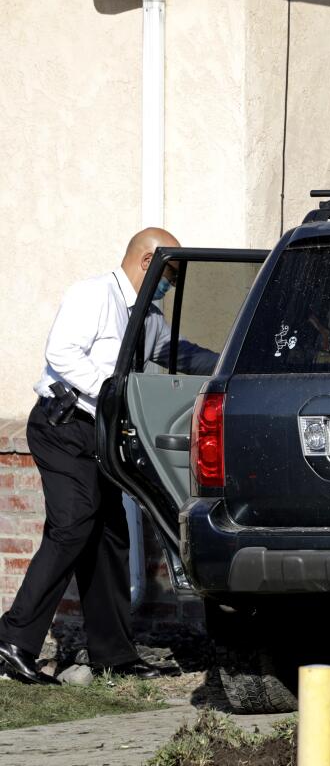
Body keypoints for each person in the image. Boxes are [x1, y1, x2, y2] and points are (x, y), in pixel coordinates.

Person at [0, 228, 217, 685]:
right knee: (74, 524)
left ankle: (112, 654)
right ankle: (14, 641)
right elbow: (60, 353)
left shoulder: (147, 317)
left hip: (100, 435)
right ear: (147, 262)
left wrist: (229, 363)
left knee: (109, 536)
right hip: (63, 428)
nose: (169, 285)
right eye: (169, 275)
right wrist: (115, 393)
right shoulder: (93, 295)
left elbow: (176, 352)